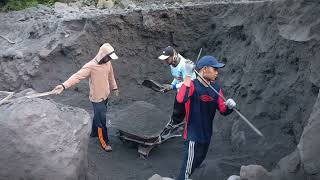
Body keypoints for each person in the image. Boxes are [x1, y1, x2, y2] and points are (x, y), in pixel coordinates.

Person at [176, 55, 236, 180]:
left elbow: (223, 109)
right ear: (204, 69)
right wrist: (187, 75)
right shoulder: (192, 85)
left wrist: (229, 106)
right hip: (193, 137)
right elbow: (181, 99)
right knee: (185, 173)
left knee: (196, 165)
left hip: (206, 136)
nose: (217, 72)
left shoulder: (216, 89)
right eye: (214, 69)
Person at [52, 43, 119, 152]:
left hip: (106, 96)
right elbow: (77, 76)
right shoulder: (91, 66)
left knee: (98, 117)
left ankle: (93, 133)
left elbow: (111, 76)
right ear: (102, 55)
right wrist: (64, 86)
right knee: (102, 122)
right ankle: (104, 142)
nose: (110, 59)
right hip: (97, 99)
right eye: (109, 57)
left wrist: (114, 87)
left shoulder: (108, 63)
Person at [158, 46, 196, 127]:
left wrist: (172, 87)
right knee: (177, 111)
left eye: (167, 58)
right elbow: (177, 77)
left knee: (191, 113)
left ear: (173, 56)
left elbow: (189, 82)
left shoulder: (184, 65)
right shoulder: (172, 63)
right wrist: (171, 85)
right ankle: (173, 126)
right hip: (181, 91)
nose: (165, 61)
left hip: (190, 93)